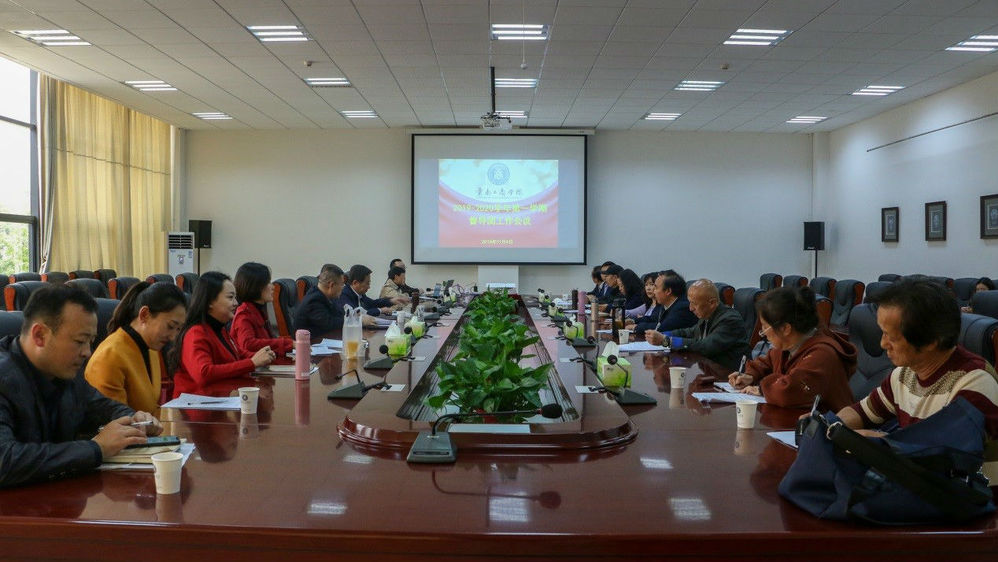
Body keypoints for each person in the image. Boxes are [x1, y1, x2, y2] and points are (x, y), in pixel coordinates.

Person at [0, 285, 162, 487]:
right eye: (80, 341)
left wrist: (135, 420)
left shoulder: (65, 373)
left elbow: (102, 407)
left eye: (91, 341)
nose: (87, 352)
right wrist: (95, 449)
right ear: (40, 335)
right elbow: (4, 461)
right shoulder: (4, 377)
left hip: (57, 496)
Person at [835, 279, 998, 478]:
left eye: (891, 336)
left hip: (966, 493)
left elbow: (942, 464)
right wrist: (831, 426)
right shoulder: (904, 374)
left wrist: (872, 442)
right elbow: (861, 412)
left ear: (930, 341)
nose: (883, 344)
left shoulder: (975, 384)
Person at [728, 286, 856, 411]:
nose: (763, 333)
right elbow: (766, 362)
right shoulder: (787, 345)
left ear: (785, 329)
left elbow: (788, 392)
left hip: (825, 423)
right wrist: (750, 376)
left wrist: (762, 388)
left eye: (765, 327)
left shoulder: (823, 354)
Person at [85, 281, 187, 415]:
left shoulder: (151, 348)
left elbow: (152, 408)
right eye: (170, 326)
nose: (173, 337)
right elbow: (115, 420)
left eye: (178, 329)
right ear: (144, 315)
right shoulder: (110, 357)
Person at [169, 271, 275, 397]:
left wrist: (262, 356)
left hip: (219, 397)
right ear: (210, 301)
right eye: (230, 297)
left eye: (235, 297)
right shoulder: (196, 332)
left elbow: (237, 354)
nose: (236, 303)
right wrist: (252, 363)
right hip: (197, 404)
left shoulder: (219, 328)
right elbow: (203, 373)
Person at [653, 279, 749, 371]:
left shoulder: (729, 320)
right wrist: (663, 335)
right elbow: (690, 332)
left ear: (712, 303)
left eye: (694, 304)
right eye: (690, 302)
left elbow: (706, 346)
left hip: (728, 375)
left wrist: (667, 341)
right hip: (709, 370)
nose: (690, 308)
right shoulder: (707, 314)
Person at [231, 262, 292, 357]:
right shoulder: (244, 314)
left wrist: (290, 344)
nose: (273, 287)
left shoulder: (258, 310)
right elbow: (248, 344)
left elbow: (268, 342)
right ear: (255, 286)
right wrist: (287, 343)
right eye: (268, 282)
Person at [294, 263, 353, 334]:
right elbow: (329, 324)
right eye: (342, 285)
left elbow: (339, 314)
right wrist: (354, 320)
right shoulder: (314, 300)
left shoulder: (325, 296)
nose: (343, 288)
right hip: (310, 340)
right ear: (331, 285)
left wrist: (354, 316)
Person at [639, 273, 698, 337]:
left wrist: (636, 327)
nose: (654, 291)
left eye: (656, 288)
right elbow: (653, 318)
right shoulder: (664, 304)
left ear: (668, 291)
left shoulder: (682, 307)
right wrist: (633, 321)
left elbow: (662, 328)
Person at [338, 264, 408, 317]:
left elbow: (373, 303)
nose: (369, 287)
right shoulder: (344, 294)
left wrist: (391, 301)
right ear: (355, 283)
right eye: (367, 283)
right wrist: (381, 310)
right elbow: (356, 314)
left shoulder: (360, 294)